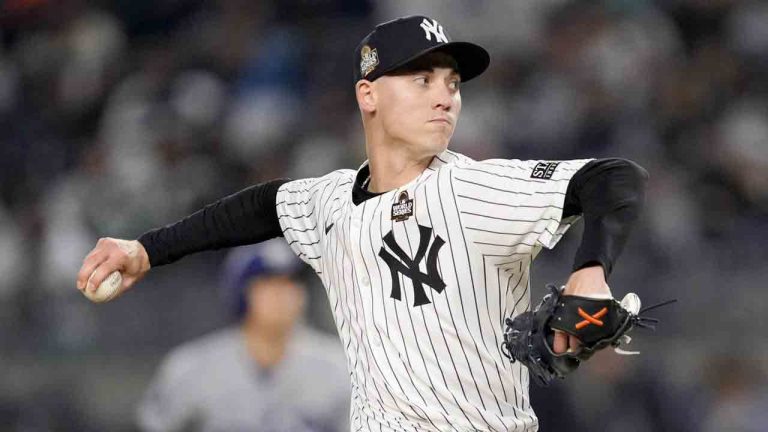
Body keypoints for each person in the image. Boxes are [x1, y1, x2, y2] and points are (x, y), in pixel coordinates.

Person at [77, 15, 648, 431]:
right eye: (422, 80)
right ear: (368, 95)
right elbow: (262, 207)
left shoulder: (473, 187)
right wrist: (147, 250)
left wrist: (591, 271)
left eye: (452, 83)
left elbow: (614, 178)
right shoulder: (330, 203)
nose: (446, 97)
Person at [136, 239, 350, 432]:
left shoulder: (342, 369)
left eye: (292, 283)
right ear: (240, 292)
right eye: (267, 283)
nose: (282, 295)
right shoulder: (190, 368)